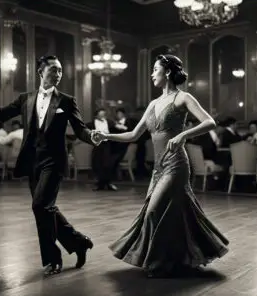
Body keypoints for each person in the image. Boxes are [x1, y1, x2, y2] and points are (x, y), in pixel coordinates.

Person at [94, 54, 229, 278]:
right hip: (158, 167)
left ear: (167, 72)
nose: (151, 74)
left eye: (155, 69)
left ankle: (158, 263)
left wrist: (183, 135)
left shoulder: (183, 97)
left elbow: (209, 122)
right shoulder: (154, 104)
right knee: (176, 213)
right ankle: (180, 258)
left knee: (153, 211)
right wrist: (106, 135)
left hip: (176, 164)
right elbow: (133, 135)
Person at [0, 55, 100, 276]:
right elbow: (2, 113)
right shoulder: (25, 99)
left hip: (53, 162)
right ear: (41, 72)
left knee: (40, 206)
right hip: (32, 161)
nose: (58, 74)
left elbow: (79, 128)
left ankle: (52, 259)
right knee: (46, 208)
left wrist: (91, 137)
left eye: (60, 70)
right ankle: (78, 242)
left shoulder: (66, 100)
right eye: (53, 70)